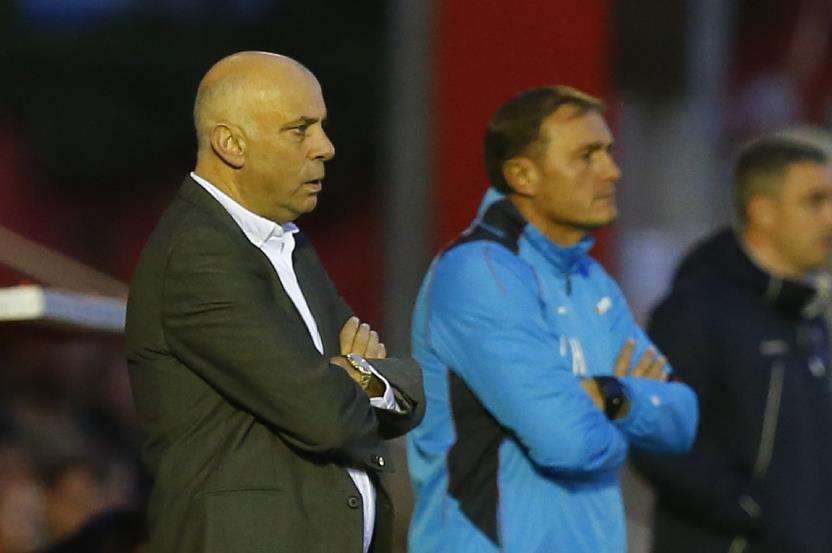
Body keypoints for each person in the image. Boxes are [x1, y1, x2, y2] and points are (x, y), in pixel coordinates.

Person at [125, 51, 424, 553]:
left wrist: (355, 375)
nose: (325, 148)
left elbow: (408, 389)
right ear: (231, 144)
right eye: (300, 129)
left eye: (321, 126)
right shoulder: (196, 255)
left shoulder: (288, 243)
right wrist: (357, 378)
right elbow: (323, 417)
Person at [407, 85, 698, 553]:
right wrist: (630, 414)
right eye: (587, 155)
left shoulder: (591, 279)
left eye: (608, 151)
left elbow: (682, 420)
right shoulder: (480, 275)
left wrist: (611, 394)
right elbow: (568, 445)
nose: (612, 171)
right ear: (523, 174)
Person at [631, 136, 832, 553]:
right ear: (762, 211)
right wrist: (753, 509)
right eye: (814, 201)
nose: (829, 217)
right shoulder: (695, 311)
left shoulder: (807, 315)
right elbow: (657, 442)